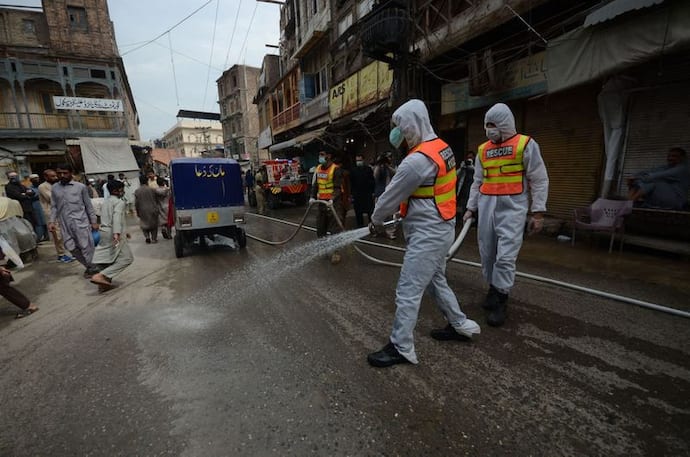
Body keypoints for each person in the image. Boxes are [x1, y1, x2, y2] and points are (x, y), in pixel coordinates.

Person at [367, 99, 480, 368]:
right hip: (441, 226)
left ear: (412, 124)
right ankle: (460, 324)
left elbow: (388, 197)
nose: (398, 133)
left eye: (400, 126)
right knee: (435, 280)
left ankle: (401, 346)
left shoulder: (416, 161)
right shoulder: (441, 148)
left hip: (428, 234)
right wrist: (402, 215)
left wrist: (375, 220)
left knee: (408, 289)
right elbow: (425, 193)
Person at [464, 103, 549, 327]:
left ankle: (502, 298)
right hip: (487, 206)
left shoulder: (525, 144)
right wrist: (470, 208)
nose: (489, 129)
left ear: (504, 124)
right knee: (487, 252)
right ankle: (493, 288)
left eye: (493, 125)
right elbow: (477, 182)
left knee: (506, 256)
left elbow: (539, 179)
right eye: (487, 125)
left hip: (513, 208)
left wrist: (538, 213)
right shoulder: (483, 149)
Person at [49, 163, 100, 278]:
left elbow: (88, 206)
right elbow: (54, 206)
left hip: (81, 222)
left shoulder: (80, 187)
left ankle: (93, 269)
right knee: (70, 247)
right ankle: (90, 266)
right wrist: (51, 221)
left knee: (86, 247)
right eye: (59, 173)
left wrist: (93, 222)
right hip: (65, 224)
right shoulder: (55, 188)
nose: (62, 175)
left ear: (71, 173)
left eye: (65, 173)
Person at [90, 180, 133, 292]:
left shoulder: (106, 201)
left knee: (108, 257)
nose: (123, 191)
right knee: (127, 258)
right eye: (122, 189)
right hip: (113, 232)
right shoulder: (119, 202)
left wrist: (125, 231)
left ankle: (103, 284)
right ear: (116, 190)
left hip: (103, 231)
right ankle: (101, 276)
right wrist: (117, 233)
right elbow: (116, 217)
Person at [309, 150, 347, 264]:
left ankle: (336, 252)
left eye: (322, 154)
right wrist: (312, 197)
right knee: (320, 227)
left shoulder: (335, 169)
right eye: (319, 154)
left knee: (335, 228)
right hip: (321, 203)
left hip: (333, 203)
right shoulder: (318, 168)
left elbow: (337, 187)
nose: (320, 157)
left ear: (329, 156)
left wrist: (332, 198)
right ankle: (324, 249)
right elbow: (316, 185)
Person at [39, 169, 73, 263]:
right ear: (46, 177)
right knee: (57, 235)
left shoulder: (57, 185)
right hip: (51, 214)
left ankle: (69, 252)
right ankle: (61, 254)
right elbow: (52, 198)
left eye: (55, 176)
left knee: (66, 233)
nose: (55, 177)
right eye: (52, 176)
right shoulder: (43, 186)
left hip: (62, 212)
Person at [373, 154, 397, 239]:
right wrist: (380, 166)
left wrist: (387, 167)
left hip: (389, 195)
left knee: (389, 215)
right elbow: (375, 177)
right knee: (379, 213)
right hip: (380, 194)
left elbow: (396, 174)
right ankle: (378, 231)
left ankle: (390, 231)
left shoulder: (389, 170)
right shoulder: (378, 169)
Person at [349, 153, 375, 228]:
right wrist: (352, 194)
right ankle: (360, 225)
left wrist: (372, 192)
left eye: (360, 160)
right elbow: (352, 183)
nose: (358, 162)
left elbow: (372, 181)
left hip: (367, 193)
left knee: (370, 211)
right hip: (357, 194)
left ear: (363, 160)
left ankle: (371, 225)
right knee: (358, 211)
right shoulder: (353, 170)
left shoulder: (368, 169)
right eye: (357, 160)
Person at [134, 175, 160, 243]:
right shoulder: (152, 190)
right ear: (147, 181)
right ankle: (154, 239)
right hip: (152, 208)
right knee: (154, 225)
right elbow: (157, 199)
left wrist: (137, 211)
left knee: (144, 224)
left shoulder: (137, 191)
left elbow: (136, 203)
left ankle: (147, 237)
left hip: (142, 209)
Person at [28, 174, 48, 242]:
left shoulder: (42, 187)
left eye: (37, 178)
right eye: (34, 179)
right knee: (39, 222)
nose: (36, 180)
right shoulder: (29, 188)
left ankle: (47, 236)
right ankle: (39, 237)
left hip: (44, 205)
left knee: (46, 221)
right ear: (31, 180)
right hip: (36, 206)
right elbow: (29, 197)